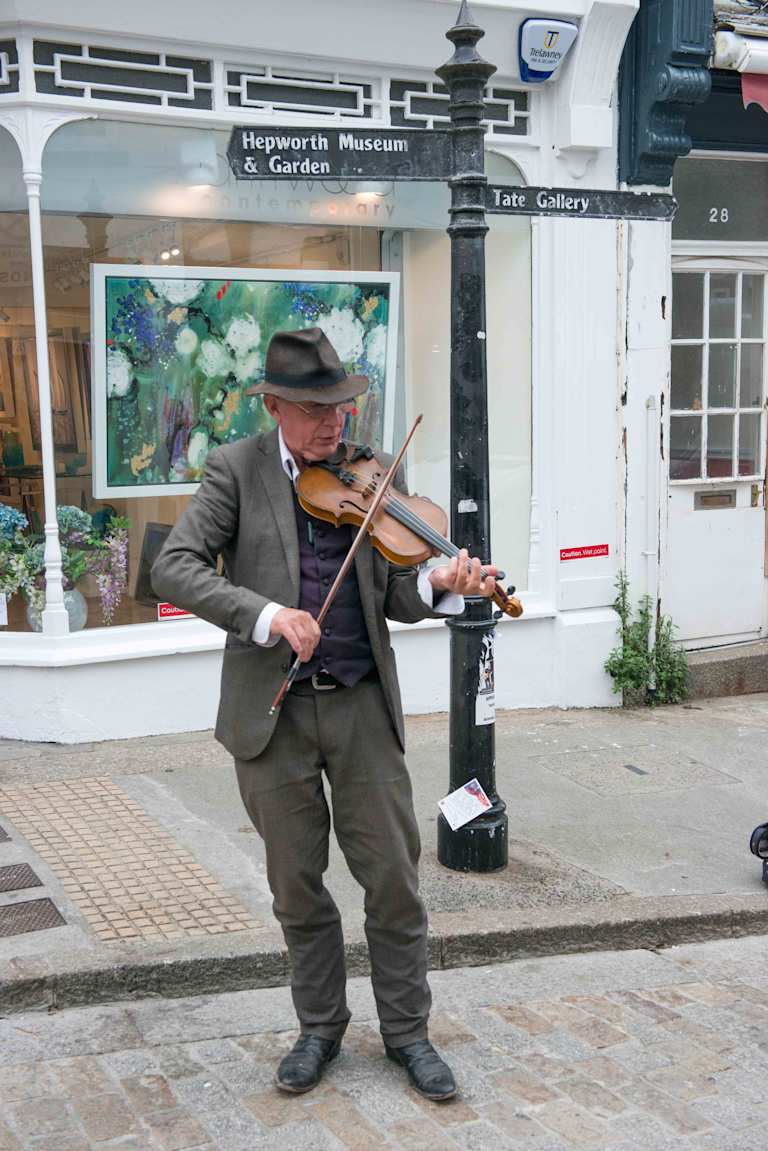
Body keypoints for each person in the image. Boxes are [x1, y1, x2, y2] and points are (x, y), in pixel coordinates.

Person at [151, 326, 498, 1102]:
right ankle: (320, 1026)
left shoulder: (374, 471)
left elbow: (400, 596)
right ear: (273, 405)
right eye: (313, 410)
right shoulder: (234, 470)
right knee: (297, 886)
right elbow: (172, 565)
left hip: (361, 706)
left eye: (340, 406)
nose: (333, 424)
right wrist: (268, 614)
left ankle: (408, 1032)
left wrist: (444, 581)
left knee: (395, 880)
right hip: (272, 716)